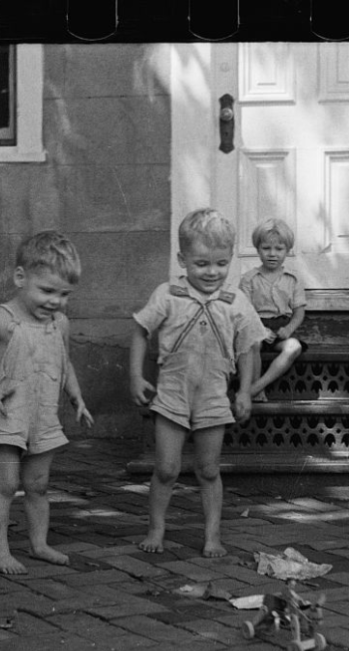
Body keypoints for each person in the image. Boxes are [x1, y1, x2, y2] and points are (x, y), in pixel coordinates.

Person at [130, 208, 268, 558]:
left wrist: (245, 391)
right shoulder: (168, 294)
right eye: (202, 264)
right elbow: (141, 329)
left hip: (213, 397)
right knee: (166, 469)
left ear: (231, 259)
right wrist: (135, 375)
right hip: (172, 394)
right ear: (182, 260)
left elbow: (248, 348)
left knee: (208, 469)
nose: (212, 272)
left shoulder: (236, 302)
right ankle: (156, 529)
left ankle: (212, 535)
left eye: (221, 264)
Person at [0, 231, 94, 575]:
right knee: (5, 484)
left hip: (44, 416)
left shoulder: (60, 323)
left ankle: (39, 544)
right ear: (21, 277)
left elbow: (64, 362)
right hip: (7, 415)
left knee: (38, 485)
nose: (55, 301)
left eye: (64, 294)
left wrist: (76, 397)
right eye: (47, 291)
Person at [239, 218, 307, 401]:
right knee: (253, 344)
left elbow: (299, 311)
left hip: (281, 330)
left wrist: (289, 329)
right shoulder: (249, 279)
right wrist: (260, 330)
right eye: (266, 248)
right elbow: (245, 312)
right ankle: (257, 390)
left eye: (279, 249)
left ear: (287, 250)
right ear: (257, 249)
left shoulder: (293, 279)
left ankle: (257, 387)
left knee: (294, 347)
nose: (272, 254)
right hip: (255, 327)